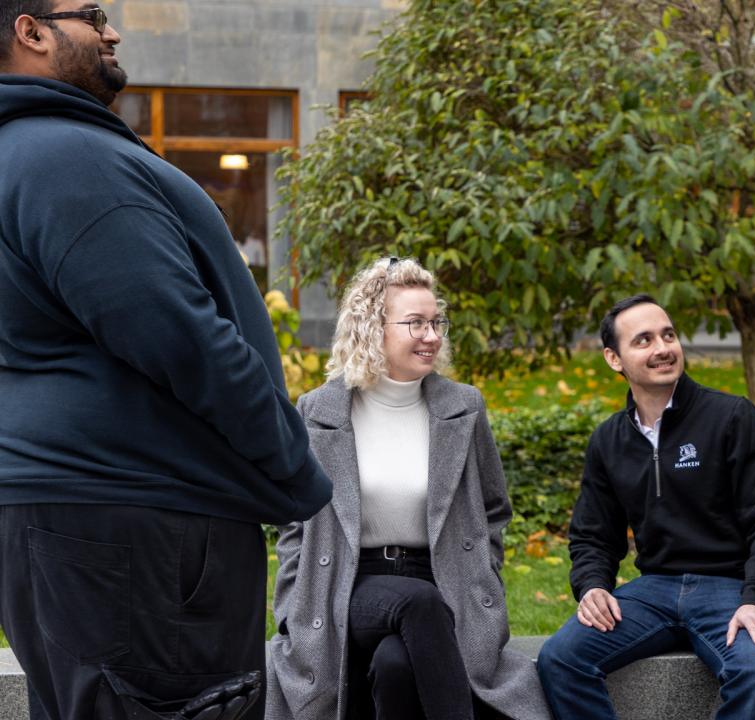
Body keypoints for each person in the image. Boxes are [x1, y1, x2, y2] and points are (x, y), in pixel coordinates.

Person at [0, 3, 332, 719]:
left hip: (86, 519)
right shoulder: (64, 157)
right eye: (91, 14)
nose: (111, 29)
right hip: (140, 526)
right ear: (30, 31)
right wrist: (296, 472)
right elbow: (178, 335)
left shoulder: (28, 154)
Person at [265, 257, 550, 720]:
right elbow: (294, 519)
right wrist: (292, 605)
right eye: (415, 323)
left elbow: (493, 509)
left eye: (436, 322)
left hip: (440, 577)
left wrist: (484, 574)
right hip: (348, 583)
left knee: (395, 665)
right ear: (372, 327)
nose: (432, 335)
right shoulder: (319, 410)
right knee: (418, 603)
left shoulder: (463, 407)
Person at [536, 295, 755, 720]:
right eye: (643, 340)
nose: (662, 348)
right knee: (560, 658)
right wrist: (593, 587)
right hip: (652, 591)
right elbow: (593, 535)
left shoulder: (732, 417)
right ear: (614, 358)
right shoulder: (609, 441)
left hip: (730, 588)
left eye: (668, 335)